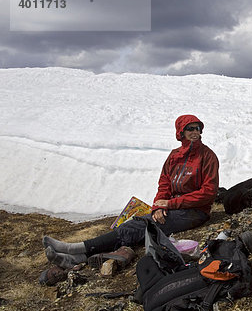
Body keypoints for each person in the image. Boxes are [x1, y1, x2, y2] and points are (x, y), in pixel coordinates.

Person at [43, 114, 219, 269]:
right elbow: (164, 183)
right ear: (181, 132)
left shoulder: (208, 156)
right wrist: (158, 206)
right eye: (190, 129)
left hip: (195, 212)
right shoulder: (174, 156)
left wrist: (171, 204)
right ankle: (77, 258)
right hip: (172, 207)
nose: (195, 132)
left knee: (138, 226)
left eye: (197, 128)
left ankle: (76, 248)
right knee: (138, 229)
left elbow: (208, 193)